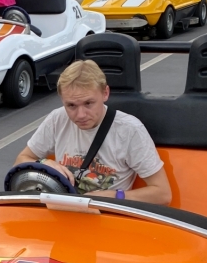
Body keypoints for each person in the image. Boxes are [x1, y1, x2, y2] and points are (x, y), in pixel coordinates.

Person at [13, 59, 171, 202]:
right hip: (64, 213)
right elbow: (22, 159)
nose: (80, 115)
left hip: (108, 217)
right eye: (71, 106)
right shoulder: (57, 119)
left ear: (105, 93)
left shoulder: (129, 130)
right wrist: (42, 163)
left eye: (88, 103)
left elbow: (162, 194)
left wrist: (116, 196)